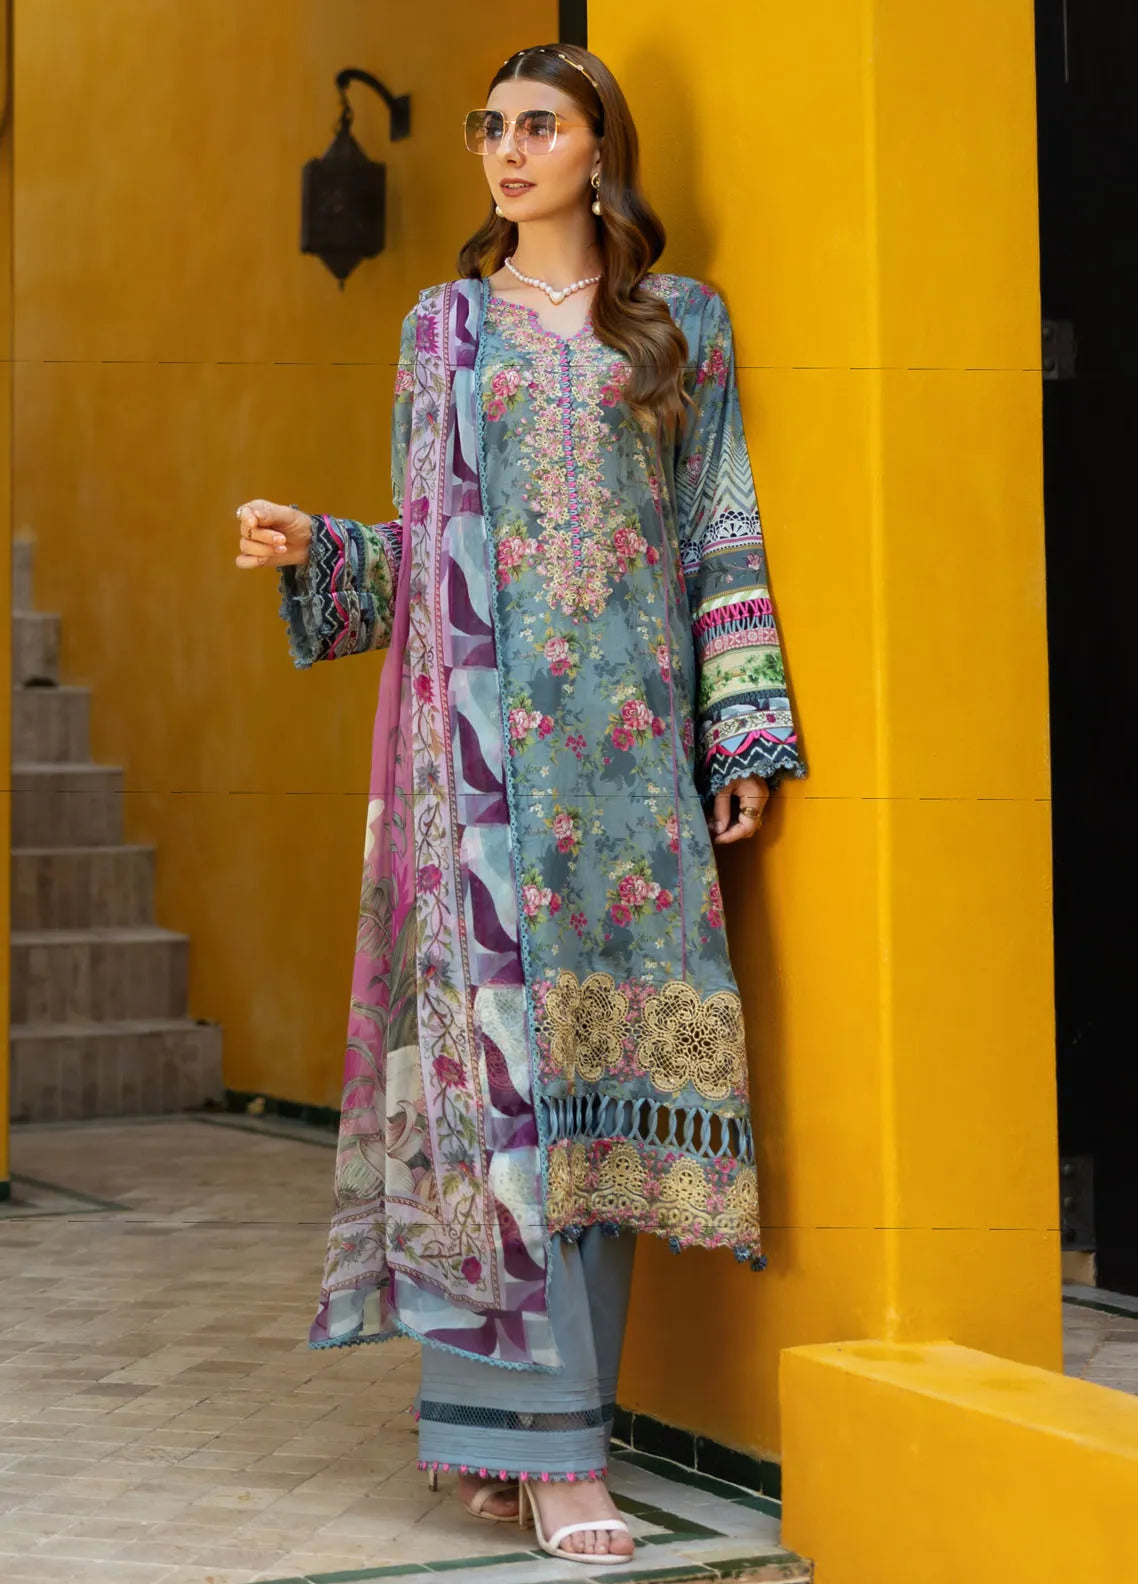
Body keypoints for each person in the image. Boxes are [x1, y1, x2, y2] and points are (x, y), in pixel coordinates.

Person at [233, 41, 805, 1564]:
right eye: (492, 127)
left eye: (539, 126)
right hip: (483, 775)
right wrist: (320, 548)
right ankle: (558, 1463)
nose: (505, 149)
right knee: (502, 1093)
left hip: (633, 772)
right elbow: (426, 541)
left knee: (603, 1104)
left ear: (600, 149)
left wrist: (744, 733)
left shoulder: (680, 325)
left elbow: (719, 525)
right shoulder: (444, 326)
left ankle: (516, 1434)